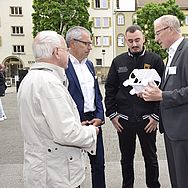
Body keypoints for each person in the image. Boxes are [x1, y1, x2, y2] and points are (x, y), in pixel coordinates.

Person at [17, 30, 99, 187]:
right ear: (56, 52)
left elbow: (48, 124)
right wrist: (91, 132)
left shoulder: (31, 78)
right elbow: (67, 134)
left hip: (44, 167)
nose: (68, 53)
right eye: (66, 50)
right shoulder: (49, 83)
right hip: (56, 173)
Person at [141, 15, 188, 188]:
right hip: (172, 130)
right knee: (178, 179)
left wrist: (162, 95)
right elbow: (173, 85)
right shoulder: (172, 53)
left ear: (170, 29)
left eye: (158, 33)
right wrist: (151, 91)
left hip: (185, 130)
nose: (156, 39)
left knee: (187, 180)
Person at [105, 25, 164, 188]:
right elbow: (110, 88)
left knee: (151, 158)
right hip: (124, 120)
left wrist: (156, 116)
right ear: (126, 41)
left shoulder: (155, 60)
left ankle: (153, 185)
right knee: (126, 158)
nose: (134, 44)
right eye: (130, 41)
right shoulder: (118, 61)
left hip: (147, 120)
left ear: (143, 39)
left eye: (137, 40)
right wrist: (112, 114)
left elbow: (163, 90)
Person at [65, 26, 105, 188]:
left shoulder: (89, 65)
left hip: (94, 122)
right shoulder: (63, 67)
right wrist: (74, 122)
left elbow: (97, 95)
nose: (90, 47)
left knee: (99, 165)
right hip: (75, 124)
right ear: (73, 43)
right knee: (74, 168)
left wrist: (100, 117)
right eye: (86, 43)